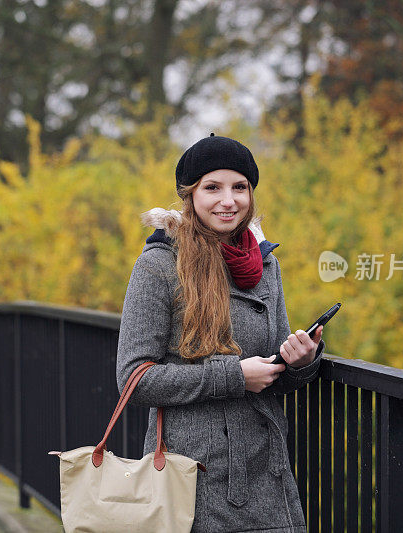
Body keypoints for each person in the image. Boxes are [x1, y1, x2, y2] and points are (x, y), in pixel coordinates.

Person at [116, 134, 324, 532]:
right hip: (191, 472)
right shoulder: (160, 264)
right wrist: (234, 377)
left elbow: (272, 371)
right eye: (212, 187)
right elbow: (134, 380)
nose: (228, 200)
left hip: (266, 467)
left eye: (240, 187)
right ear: (189, 195)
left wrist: (299, 361)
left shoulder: (265, 266)